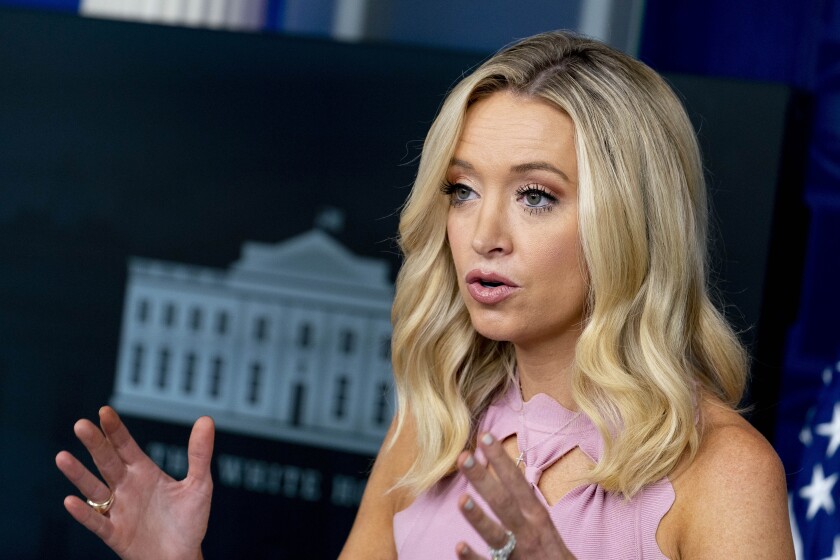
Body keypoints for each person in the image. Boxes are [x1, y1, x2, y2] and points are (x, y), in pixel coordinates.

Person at [57, 31, 794, 559]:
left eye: (536, 196)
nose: (484, 233)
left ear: (633, 221)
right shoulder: (435, 422)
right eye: (463, 190)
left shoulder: (724, 472)